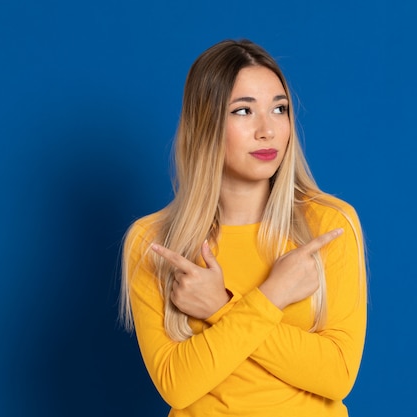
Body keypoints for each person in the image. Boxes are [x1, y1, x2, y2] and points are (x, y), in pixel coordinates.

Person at [119, 39, 367, 416]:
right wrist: (272, 296)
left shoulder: (329, 224)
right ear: (206, 123)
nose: (267, 130)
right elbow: (177, 386)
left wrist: (221, 306)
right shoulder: (154, 241)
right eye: (243, 111)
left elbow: (338, 376)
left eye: (279, 109)